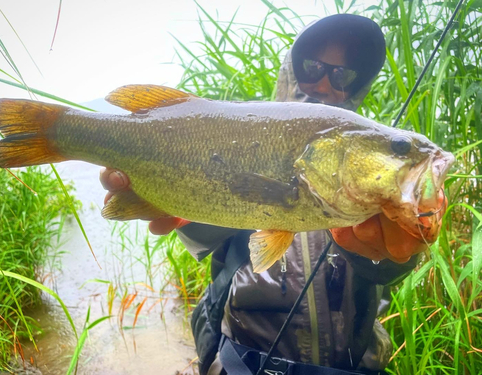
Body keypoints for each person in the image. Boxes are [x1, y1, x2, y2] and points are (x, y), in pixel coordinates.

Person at [100, 14, 443, 374]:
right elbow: (201, 230)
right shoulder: (241, 134)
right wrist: (168, 198)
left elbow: (385, 273)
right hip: (241, 360)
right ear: (293, 68)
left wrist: (394, 251)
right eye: (312, 66)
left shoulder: (367, 167)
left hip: (349, 364)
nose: (326, 82)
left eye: (343, 74)